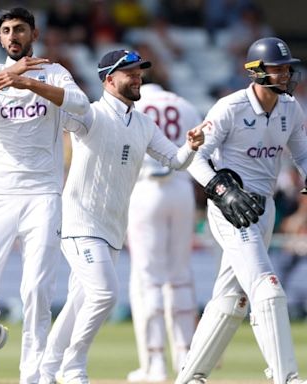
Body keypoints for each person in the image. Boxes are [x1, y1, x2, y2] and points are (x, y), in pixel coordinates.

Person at [38, 49, 207, 384]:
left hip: (113, 227)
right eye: (129, 72)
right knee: (104, 294)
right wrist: (32, 83)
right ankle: (73, 368)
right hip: (79, 222)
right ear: (109, 79)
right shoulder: (91, 114)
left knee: (78, 302)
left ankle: (46, 371)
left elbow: (175, 161)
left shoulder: (144, 123)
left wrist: (191, 145)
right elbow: (65, 106)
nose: (137, 76)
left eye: (139, 71)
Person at [0, 7, 90, 384]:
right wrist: (4, 79)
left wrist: (33, 85)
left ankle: (33, 376)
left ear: (34, 34)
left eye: (20, 30)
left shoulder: (55, 73)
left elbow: (82, 109)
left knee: (36, 292)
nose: (13, 36)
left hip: (43, 194)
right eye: (7, 31)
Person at [175, 37, 307, 384]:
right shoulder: (229, 108)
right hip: (231, 209)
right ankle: (287, 377)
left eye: (286, 69)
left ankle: (190, 377)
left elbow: (303, 154)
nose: (284, 75)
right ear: (256, 72)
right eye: (277, 69)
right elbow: (196, 159)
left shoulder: (291, 108)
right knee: (267, 287)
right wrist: (222, 191)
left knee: (230, 298)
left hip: (265, 210)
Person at [126, 83, 202, 382]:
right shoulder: (185, 103)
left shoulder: (136, 106)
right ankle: (187, 358)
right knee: (181, 276)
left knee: (149, 279)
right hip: (181, 189)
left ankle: (154, 364)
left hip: (145, 188)